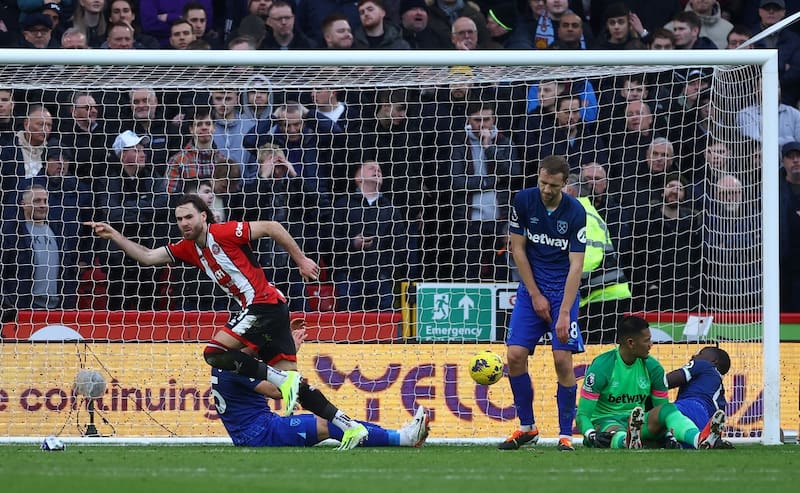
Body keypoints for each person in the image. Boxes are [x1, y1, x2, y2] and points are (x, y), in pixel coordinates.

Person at [84, 195, 370, 449]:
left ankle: (285, 380)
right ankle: (350, 426)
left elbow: (271, 226)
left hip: (263, 305)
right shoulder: (187, 248)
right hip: (273, 311)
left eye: (189, 217)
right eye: (179, 219)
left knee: (214, 353)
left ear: (204, 216)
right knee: (292, 391)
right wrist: (114, 236)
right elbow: (147, 257)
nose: (184, 223)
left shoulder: (223, 232)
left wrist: (300, 259)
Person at [213, 321, 430, 449]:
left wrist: (282, 345)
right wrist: (289, 353)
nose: (258, 345)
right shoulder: (235, 366)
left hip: (259, 429)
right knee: (329, 424)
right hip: (259, 434)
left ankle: (400, 435)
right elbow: (279, 391)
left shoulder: (225, 361)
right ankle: (404, 438)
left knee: (334, 422)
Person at [499, 155, 586, 452]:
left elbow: (577, 266)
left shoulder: (575, 212)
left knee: (562, 360)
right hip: (531, 291)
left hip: (564, 292)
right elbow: (518, 249)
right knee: (514, 356)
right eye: (542, 182)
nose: (546, 189)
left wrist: (564, 311)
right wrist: (534, 294)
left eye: (553, 185)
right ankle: (527, 427)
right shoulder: (523, 200)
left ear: (565, 184)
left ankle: (565, 434)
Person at [577, 315, 726, 449]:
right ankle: (627, 440)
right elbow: (582, 414)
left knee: (668, 409)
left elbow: (661, 409)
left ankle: (699, 439)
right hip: (606, 421)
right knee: (615, 431)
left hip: (638, 421)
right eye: (647, 340)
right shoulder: (603, 366)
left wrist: (668, 436)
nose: (651, 345)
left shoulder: (653, 368)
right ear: (631, 343)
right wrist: (590, 434)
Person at [666, 346, 733, 448]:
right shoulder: (719, 392)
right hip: (704, 424)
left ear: (713, 361)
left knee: (662, 413)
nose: (694, 356)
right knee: (691, 441)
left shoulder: (704, 365)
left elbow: (666, 382)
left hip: (690, 407)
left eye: (700, 353)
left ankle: (666, 437)